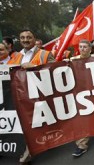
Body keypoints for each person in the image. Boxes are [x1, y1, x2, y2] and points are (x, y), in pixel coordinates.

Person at [7, 29, 54, 164]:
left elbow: (55, 72)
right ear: (19, 40)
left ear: (34, 38)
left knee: (36, 123)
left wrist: (34, 67)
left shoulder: (45, 54)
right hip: (22, 96)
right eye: (22, 38)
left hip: (40, 95)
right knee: (27, 124)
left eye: (28, 37)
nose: (25, 40)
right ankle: (30, 150)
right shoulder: (15, 57)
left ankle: (31, 150)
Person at [69, 39, 93, 157]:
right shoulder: (73, 60)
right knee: (82, 118)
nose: (82, 49)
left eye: (85, 47)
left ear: (90, 48)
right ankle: (81, 145)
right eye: (80, 47)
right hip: (80, 94)